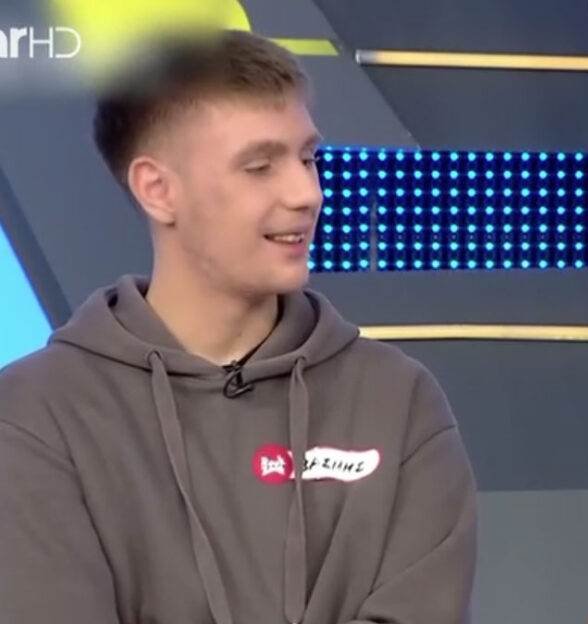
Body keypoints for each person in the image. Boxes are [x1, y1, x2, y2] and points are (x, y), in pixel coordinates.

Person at [0, 29, 477, 624]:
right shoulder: (36, 415)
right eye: (260, 166)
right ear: (158, 189)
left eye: (308, 158)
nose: (306, 193)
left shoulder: (397, 401)